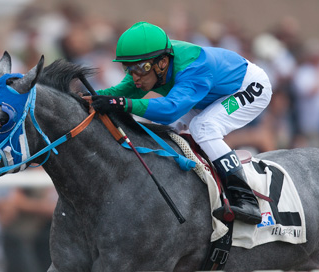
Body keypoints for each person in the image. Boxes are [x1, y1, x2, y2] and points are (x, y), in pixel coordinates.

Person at [90, 22, 273, 225]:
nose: (134, 76)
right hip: (209, 93)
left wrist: (122, 103)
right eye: (128, 68)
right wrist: (82, 97)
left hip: (248, 87)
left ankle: (246, 198)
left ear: (162, 63)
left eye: (141, 68)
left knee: (203, 127)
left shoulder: (193, 68)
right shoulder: (150, 66)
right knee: (167, 133)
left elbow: (170, 110)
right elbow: (116, 94)